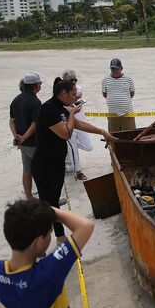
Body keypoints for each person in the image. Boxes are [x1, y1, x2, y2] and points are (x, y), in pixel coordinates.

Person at [0, 199, 95, 308]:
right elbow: (85, 226)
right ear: (38, 243)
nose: (51, 234)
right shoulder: (47, 273)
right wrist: (50, 210)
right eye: (49, 232)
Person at [32, 80, 115, 244]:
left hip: (56, 163)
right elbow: (65, 134)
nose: (75, 97)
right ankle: (56, 237)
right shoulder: (48, 109)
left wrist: (102, 131)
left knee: (52, 200)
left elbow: (78, 124)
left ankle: (50, 236)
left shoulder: (60, 108)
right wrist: (72, 113)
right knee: (49, 202)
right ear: (63, 93)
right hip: (44, 164)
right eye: (73, 94)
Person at [9, 72, 42, 200]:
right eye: (40, 83)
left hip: (22, 144)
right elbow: (34, 125)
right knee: (41, 171)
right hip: (33, 143)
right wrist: (23, 137)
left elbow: (12, 121)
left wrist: (17, 137)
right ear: (36, 86)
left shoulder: (16, 100)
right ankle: (46, 199)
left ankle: (29, 197)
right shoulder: (35, 102)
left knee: (27, 170)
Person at [62, 70, 93, 181]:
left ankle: (68, 147)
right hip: (69, 124)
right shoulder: (61, 93)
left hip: (81, 123)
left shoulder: (77, 89)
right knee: (73, 148)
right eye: (71, 80)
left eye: (75, 79)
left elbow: (75, 97)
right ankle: (78, 171)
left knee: (89, 146)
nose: (74, 82)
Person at [102, 58, 136, 137]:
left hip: (127, 114)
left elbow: (132, 94)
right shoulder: (105, 80)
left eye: (116, 69)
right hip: (112, 115)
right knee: (113, 136)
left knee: (130, 136)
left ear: (121, 68)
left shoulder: (129, 79)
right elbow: (105, 95)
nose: (114, 71)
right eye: (112, 69)